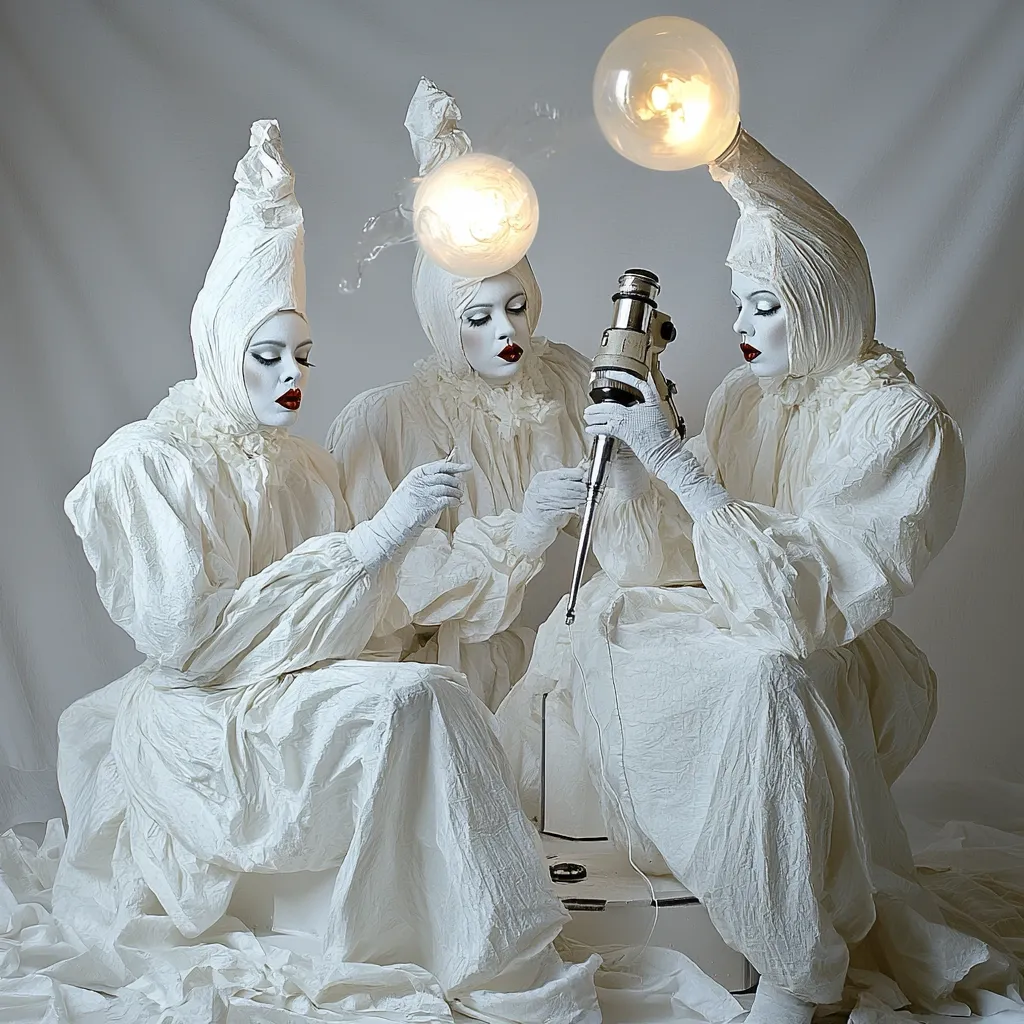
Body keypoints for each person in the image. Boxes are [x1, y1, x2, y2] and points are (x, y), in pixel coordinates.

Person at [51, 119, 600, 1023]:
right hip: (204, 711)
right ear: (222, 354)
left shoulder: (304, 467)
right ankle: (500, 958)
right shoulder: (147, 464)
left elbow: (356, 625)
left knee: (426, 691)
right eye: (265, 358)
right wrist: (370, 544)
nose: (290, 377)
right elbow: (197, 644)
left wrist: (377, 564)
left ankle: (478, 933)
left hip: (290, 686)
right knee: (420, 697)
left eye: (301, 357)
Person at [497, 129, 1021, 1023]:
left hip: (823, 640)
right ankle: (692, 867)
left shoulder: (899, 424)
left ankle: (791, 968)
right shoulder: (746, 397)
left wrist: (682, 468)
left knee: (768, 681)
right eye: (740, 305)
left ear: (821, 304)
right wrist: (637, 477)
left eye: (766, 307)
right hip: (729, 612)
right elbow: (681, 556)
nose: (741, 329)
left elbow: (809, 601)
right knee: (600, 618)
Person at [327, 79, 591, 712]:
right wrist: (525, 531)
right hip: (444, 677)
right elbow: (405, 591)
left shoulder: (566, 382)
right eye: (477, 317)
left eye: (518, 306)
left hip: (565, 651)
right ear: (444, 324)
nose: (508, 332)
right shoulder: (392, 422)